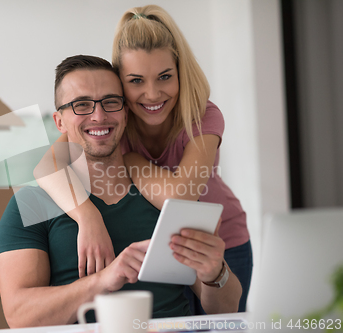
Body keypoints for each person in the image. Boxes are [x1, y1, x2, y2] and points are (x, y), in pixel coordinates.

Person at [0, 55, 242, 328]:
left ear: (125, 113)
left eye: (111, 102)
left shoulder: (162, 195)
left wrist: (215, 273)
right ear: (60, 122)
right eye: (82, 105)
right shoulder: (30, 204)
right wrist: (101, 281)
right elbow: (19, 315)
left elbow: (226, 306)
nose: (99, 116)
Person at [35, 5, 252, 314]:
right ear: (120, 83)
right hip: (158, 248)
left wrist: (133, 161)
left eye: (164, 76)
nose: (152, 94)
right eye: (136, 81)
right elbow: (46, 165)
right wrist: (88, 217)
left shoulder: (202, 115)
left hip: (219, 242)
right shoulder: (113, 119)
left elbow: (182, 198)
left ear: (181, 72)